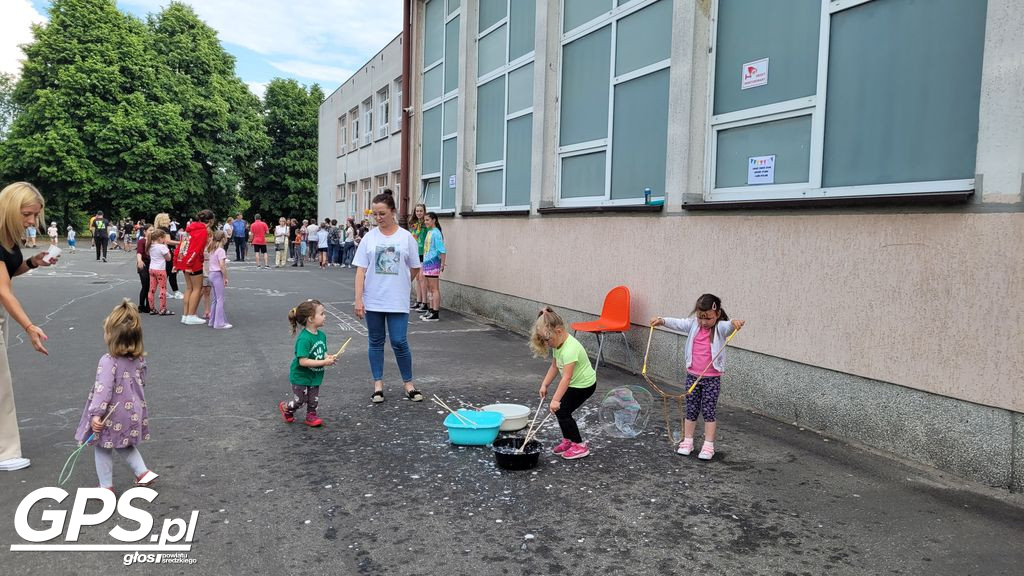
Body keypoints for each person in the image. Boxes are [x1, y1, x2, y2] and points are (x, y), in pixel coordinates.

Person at [0, 182, 59, 472]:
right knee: (1, 384)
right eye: (27, 214)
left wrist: (33, 262)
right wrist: (29, 326)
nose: (32, 221)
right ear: (10, 208)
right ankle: (5, 452)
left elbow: (10, 270)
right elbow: (3, 290)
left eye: (34, 215)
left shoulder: (7, 237)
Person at [73, 299, 157, 489]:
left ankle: (106, 486)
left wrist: (95, 414)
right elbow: (142, 380)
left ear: (112, 337)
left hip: (111, 414)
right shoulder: (138, 359)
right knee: (125, 444)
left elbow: (103, 390)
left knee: (102, 447)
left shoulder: (108, 361)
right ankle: (143, 473)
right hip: (133, 411)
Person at [650, 293, 745, 460]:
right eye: (701, 318)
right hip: (692, 376)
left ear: (717, 314)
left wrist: (734, 323)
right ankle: (688, 441)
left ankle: (708, 445)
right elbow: (678, 323)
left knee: (709, 411)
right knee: (691, 409)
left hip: (712, 379)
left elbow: (729, 326)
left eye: (708, 318)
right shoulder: (693, 325)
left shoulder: (720, 328)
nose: (703, 322)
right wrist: (662, 320)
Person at [353, 192, 423, 404]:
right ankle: (378, 386)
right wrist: (358, 299)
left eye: (382, 213)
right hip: (373, 299)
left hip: (397, 300)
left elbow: (414, 267)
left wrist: (401, 284)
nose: (378, 217)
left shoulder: (405, 237)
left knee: (400, 341)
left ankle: (408, 384)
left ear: (393, 212)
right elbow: (360, 271)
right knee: (375, 341)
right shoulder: (369, 237)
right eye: (375, 214)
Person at [529, 307, 598, 460]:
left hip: (584, 385)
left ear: (559, 331)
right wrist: (544, 384)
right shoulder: (558, 344)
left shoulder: (570, 349)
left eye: (547, 340)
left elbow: (566, 378)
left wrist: (555, 400)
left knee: (563, 411)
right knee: (561, 411)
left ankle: (580, 446)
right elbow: (554, 366)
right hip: (574, 383)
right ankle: (568, 441)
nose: (547, 343)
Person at [279, 300, 337, 427]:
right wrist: (324, 362)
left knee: (313, 400)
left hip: (314, 375)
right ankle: (286, 407)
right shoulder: (304, 339)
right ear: (311, 319)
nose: (325, 316)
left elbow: (323, 352)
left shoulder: (321, 335)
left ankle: (311, 416)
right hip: (301, 376)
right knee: (300, 401)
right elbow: (303, 361)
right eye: (322, 314)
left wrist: (329, 357)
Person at [174, 210, 214, 325]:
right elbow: (197, 249)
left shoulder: (189, 229)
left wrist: (177, 261)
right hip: (193, 262)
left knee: (189, 288)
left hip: (184, 259)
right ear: (210, 220)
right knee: (197, 288)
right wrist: (190, 264)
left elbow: (183, 245)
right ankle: (191, 315)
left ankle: (185, 315)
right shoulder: (203, 231)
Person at [418, 212, 446, 322]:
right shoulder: (429, 232)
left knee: (434, 288)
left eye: (427, 220)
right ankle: (430, 309)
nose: (425, 222)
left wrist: (442, 263)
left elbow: (442, 249)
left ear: (434, 220)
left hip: (433, 263)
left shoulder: (436, 233)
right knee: (429, 288)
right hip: (427, 263)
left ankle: (435, 312)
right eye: (425, 220)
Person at [153, 214, 183, 300]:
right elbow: (168, 241)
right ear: (164, 220)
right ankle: (176, 291)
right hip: (168, 251)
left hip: (160, 252)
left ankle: (164, 291)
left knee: (165, 272)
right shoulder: (164, 229)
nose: (169, 220)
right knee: (172, 272)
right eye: (168, 218)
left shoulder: (158, 229)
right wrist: (180, 243)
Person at [206, 230, 231, 329]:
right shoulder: (221, 250)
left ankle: (212, 321)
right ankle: (219, 323)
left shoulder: (212, 248)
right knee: (220, 299)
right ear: (223, 239)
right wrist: (225, 277)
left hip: (211, 274)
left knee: (215, 300)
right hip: (217, 274)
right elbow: (222, 265)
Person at [147, 228, 173, 316]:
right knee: (162, 288)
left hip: (152, 268)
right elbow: (168, 258)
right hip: (160, 269)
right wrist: (166, 247)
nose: (164, 240)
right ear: (160, 238)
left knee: (151, 289)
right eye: (164, 238)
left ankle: (152, 308)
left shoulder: (150, 246)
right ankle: (163, 308)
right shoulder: (162, 247)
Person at [408, 204, 428, 311]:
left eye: (421, 211)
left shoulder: (426, 223)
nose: (419, 213)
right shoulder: (414, 224)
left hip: (423, 253)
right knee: (417, 279)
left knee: (422, 278)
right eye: (417, 211)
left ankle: (425, 302)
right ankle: (419, 300)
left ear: (424, 211)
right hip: (415, 252)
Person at [134, 225, 153, 313]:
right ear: (145, 231)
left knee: (150, 286)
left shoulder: (155, 242)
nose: (152, 232)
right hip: (144, 264)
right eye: (150, 230)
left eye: (153, 230)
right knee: (145, 285)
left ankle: (149, 305)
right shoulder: (142, 241)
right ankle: (141, 305)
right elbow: (139, 252)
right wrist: (139, 261)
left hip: (153, 265)